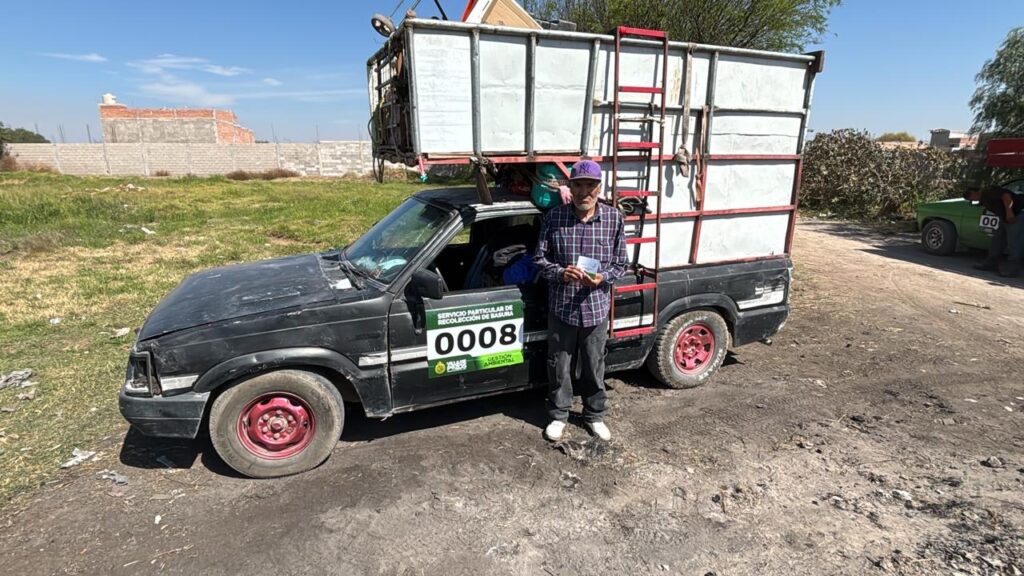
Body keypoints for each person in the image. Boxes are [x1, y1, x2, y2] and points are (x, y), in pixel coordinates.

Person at [533, 160, 627, 442]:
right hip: (562, 307)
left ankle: (594, 415)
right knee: (559, 364)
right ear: (570, 187)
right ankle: (559, 415)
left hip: (596, 307)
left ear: (599, 188)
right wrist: (561, 273)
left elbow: (621, 264)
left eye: (590, 185)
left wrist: (602, 278)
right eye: (578, 185)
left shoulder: (613, 219)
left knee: (594, 364)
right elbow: (539, 259)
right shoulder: (554, 218)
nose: (584, 191)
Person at [965, 184, 1024, 277]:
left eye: (970, 196)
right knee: (997, 240)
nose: (972, 199)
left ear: (973, 192)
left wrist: (1009, 213)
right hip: (1004, 218)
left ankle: (1013, 269)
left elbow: (1006, 197)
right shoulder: (983, 199)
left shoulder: (989, 192)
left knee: (1014, 243)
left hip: (1015, 215)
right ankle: (991, 263)